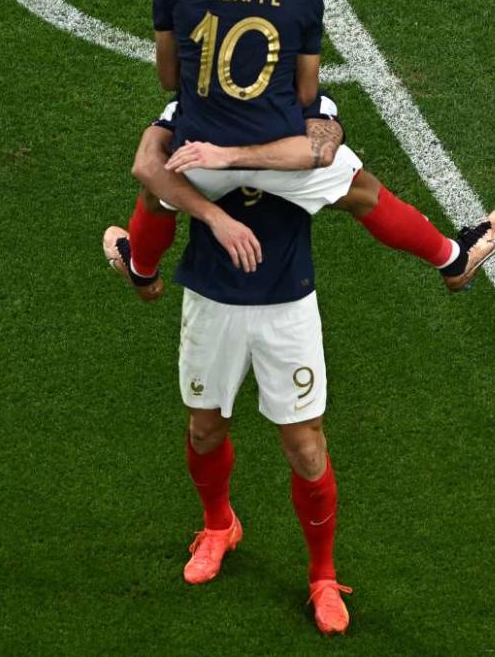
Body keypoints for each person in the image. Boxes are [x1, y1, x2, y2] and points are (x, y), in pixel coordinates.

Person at [108, 0, 495, 302]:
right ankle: (452, 260)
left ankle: (143, 272)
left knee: (156, 193)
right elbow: (305, 91)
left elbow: (168, 78)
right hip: (286, 153)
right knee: (363, 192)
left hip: (199, 155)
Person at [105, 100, 354, 635]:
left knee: (305, 446)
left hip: (288, 305)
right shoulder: (191, 112)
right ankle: (219, 526)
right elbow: (154, 191)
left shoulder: (305, 110)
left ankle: (323, 577)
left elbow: (346, 169)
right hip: (212, 300)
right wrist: (144, 266)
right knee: (204, 427)